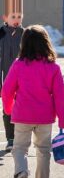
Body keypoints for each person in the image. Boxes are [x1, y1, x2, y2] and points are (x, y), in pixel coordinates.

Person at [2, 25, 64, 178]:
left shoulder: (18, 65)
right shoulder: (53, 67)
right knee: (43, 151)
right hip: (44, 117)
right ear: (46, 43)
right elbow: (61, 97)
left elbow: (6, 91)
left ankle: (21, 171)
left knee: (19, 148)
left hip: (22, 115)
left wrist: (9, 109)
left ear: (24, 44)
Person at [0, 11, 24, 152]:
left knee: (23, 107)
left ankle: (22, 137)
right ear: (5, 18)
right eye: (13, 17)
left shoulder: (26, 34)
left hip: (24, 81)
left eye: (19, 17)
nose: (17, 20)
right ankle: (11, 139)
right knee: (8, 108)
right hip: (7, 80)